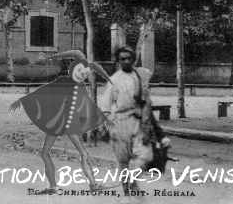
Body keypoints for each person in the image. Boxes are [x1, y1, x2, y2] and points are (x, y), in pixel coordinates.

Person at [10, 50, 113, 194]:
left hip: (68, 125)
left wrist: (103, 119)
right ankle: (55, 187)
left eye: (85, 74)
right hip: (58, 123)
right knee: (46, 153)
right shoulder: (65, 81)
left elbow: (87, 106)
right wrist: (22, 101)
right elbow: (45, 91)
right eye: (80, 71)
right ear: (73, 69)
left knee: (81, 153)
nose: (82, 75)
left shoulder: (78, 86)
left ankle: (92, 184)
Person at [99, 46, 155, 195]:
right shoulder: (114, 80)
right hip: (119, 122)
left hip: (136, 121)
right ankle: (127, 189)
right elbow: (105, 104)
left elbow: (147, 101)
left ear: (133, 59)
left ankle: (132, 180)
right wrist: (106, 124)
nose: (126, 61)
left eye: (129, 58)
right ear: (118, 61)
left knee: (146, 156)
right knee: (123, 160)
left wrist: (147, 122)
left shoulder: (139, 76)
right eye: (123, 59)